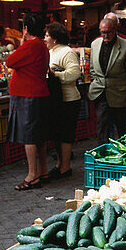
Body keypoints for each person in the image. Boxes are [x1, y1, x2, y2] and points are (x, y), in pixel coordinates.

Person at [6, 13, 50, 190]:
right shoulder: (42, 46)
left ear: (26, 29)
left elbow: (10, 61)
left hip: (27, 96)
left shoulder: (31, 45)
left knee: (29, 136)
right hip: (37, 94)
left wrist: (23, 41)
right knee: (38, 136)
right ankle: (43, 170)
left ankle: (32, 175)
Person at [89, 14, 126, 140]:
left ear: (115, 30)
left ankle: (123, 155)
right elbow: (92, 68)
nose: (105, 36)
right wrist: (97, 81)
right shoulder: (95, 44)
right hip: (100, 93)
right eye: (102, 33)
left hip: (120, 95)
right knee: (102, 128)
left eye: (108, 33)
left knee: (122, 129)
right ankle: (103, 154)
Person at [45, 21, 81, 179]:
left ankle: (65, 167)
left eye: (47, 35)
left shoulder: (67, 52)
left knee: (65, 135)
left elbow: (74, 73)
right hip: (56, 100)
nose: (44, 38)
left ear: (55, 38)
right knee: (57, 135)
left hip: (69, 99)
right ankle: (59, 164)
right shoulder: (51, 52)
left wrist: (56, 75)